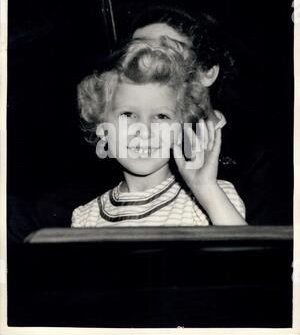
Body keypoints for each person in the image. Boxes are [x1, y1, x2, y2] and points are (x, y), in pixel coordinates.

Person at [71, 36, 246, 227]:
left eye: (161, 116)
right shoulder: (85, 219)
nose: (145, 131)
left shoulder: (212, 198)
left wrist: (206, 190)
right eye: (128, 114)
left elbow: (251, 256)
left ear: (181, 127)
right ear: (102, 127)